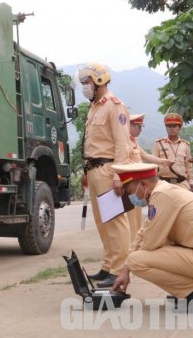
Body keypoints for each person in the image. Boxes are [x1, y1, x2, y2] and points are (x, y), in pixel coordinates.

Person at [110, 163, 193, 310]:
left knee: (137, 261)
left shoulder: (162, 195)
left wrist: (129, 265)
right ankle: (189, 288)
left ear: (142, 184)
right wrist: (124, 270)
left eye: (130, 192)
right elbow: (144, 231)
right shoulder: (164, 192)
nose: (130, 197)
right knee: (140, 255)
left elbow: (150, 242)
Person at [78, 62, 131, 288]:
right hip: (94, 171)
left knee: (116, 222)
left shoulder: (114, 106)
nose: (84, 87)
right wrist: (85, 173)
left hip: (109, 170)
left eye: (87, 82)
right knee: (103, 223)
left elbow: (122, 144)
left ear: (99, 81)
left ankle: (119, 269)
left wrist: (119, 175)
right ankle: (108, 267)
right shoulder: (94, 107)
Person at [127, 113, 174, 240]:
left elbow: (145, 156)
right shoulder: (123, 141)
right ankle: (131, 244)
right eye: (139, 127)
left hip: (138, 184)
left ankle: (135, 242)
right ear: (130, 125)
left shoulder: (134, 141)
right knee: (130, 217)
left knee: (136, 216)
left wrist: (162, 161)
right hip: (130, 183)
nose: (141, 130)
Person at [152, 113, 193, 191]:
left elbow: (189, 165)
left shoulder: (185, 145)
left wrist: (191, 181)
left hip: (181, 184)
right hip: (164, 183)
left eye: (174, 126)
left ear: (179, 128)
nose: (172, 128)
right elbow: (154, 165)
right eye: (169, 126)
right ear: (166, 128)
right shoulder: (159, 143)